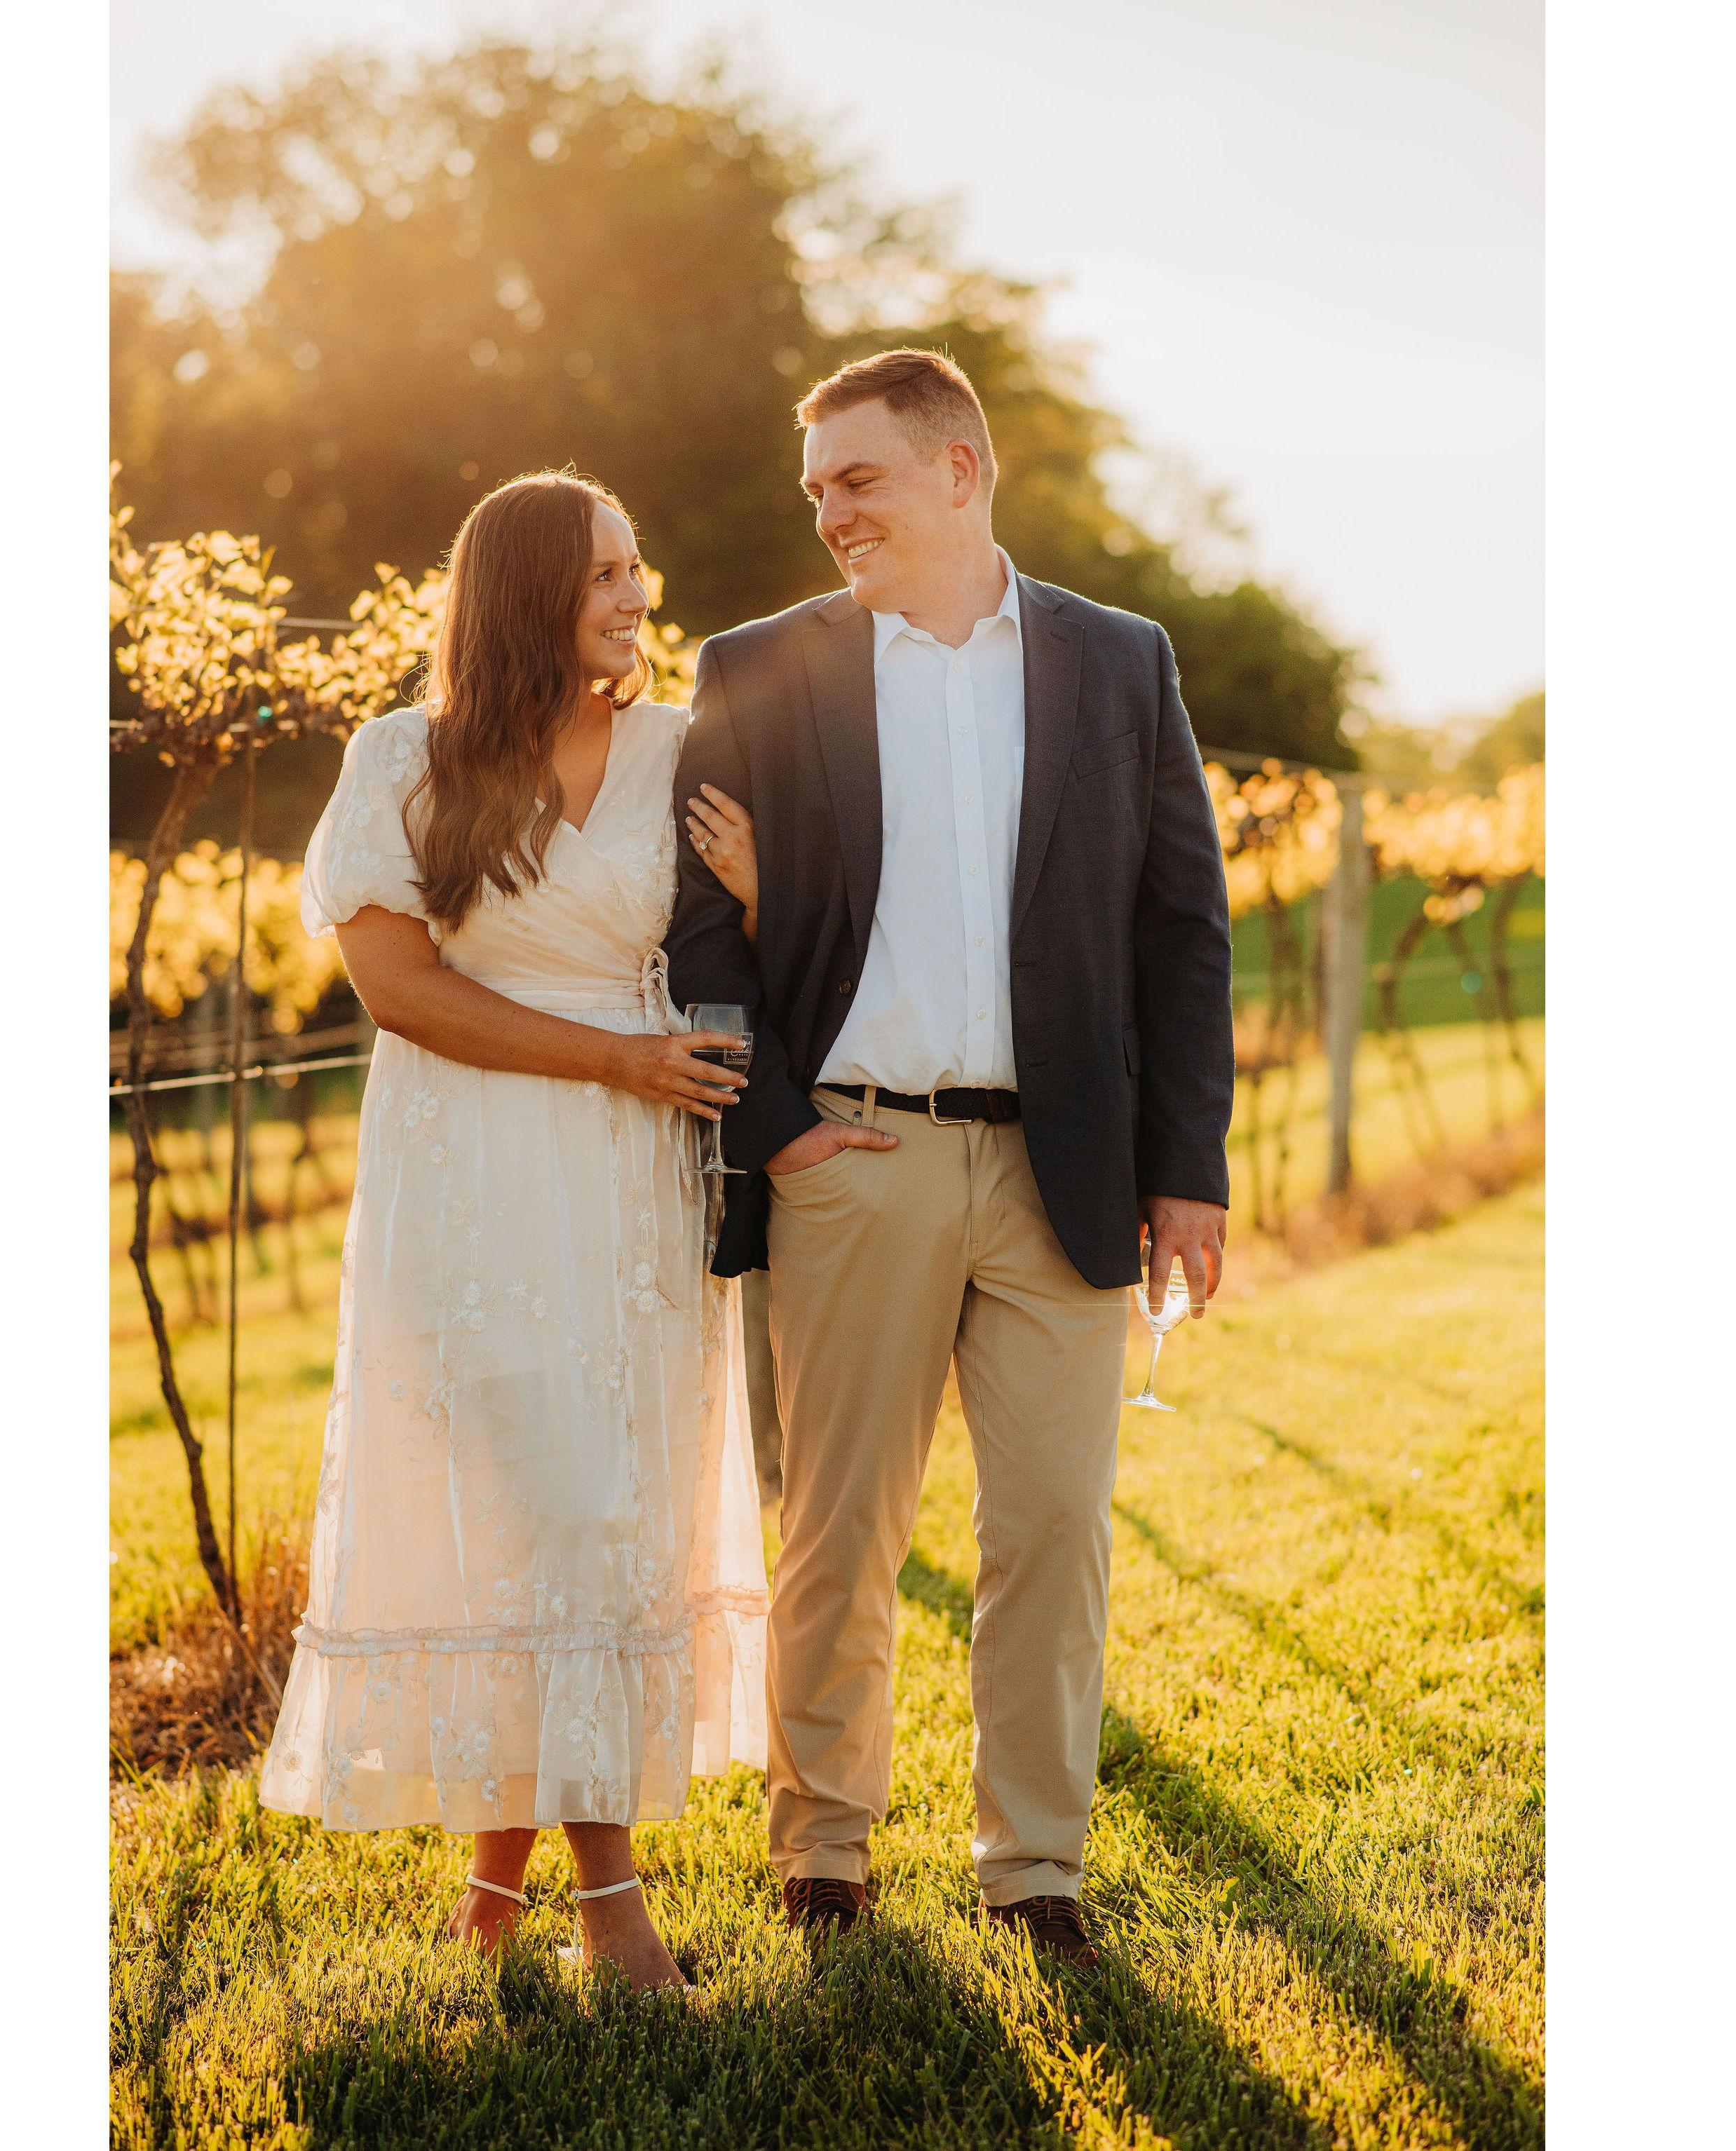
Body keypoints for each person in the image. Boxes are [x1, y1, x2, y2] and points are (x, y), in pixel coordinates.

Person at [665, 349, 1235, 1969]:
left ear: (960, 466)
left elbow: (1180, 927)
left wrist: (1182, 1164)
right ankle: (825, 1847)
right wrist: (775, 1128)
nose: (830, 512)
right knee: (840, 1528)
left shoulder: (1118, 662)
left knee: (1054, 1523)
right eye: (816, 490)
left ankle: (1032, 1863)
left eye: (859, 478)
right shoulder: (762, 663)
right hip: (857, 1155)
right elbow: (703, 925)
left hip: (1067, 1169)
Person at [260, 470, 770, 1992]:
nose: (636, 594)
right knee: (517, 1500)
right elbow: (397, 987)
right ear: (528, 588)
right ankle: (611, 1904)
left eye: (636, 567)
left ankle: (499, 1890)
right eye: (605, 573)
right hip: (472, 1170)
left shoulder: (682, 750)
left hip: (629, 1179)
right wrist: (610, 1055)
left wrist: (769, 885)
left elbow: (765, 948)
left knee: (604, 1509)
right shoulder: (400, 757)